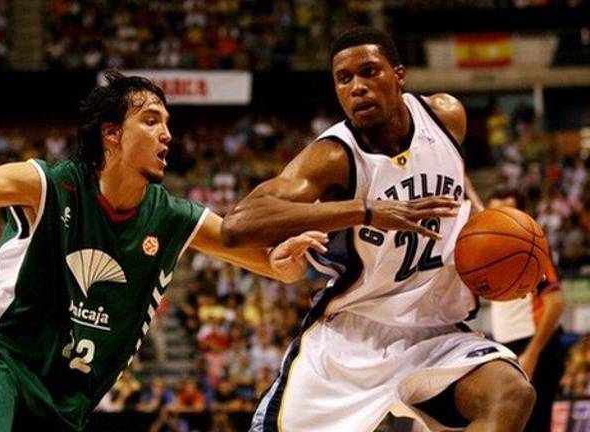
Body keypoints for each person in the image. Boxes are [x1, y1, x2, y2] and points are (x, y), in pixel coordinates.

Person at [0, 71, 324, 432]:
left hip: (67, 402)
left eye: (168, 123)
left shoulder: (173, 217)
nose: (167, 133)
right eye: (151, 120)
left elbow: (266, 263)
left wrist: (284, 263)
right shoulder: (50, 184)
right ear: (111, 133)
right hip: (1, 362)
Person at [221, 27, 535, 431]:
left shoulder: (446, 116)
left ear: (399, 75)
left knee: (511, 392)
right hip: (350, 341)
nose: (358, 88)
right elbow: (237, 225)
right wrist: (364, 211)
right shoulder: (333, 156)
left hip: (434, 331)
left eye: (370, 72)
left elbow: (458, 183)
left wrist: (488, 227)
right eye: (344, 78)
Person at [488, 188, 566, 432]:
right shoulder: (486, 247)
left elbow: (556, 303)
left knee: (533, 425)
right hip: (506, 348)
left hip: (535, 346)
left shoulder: (530, 249)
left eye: (507, 210)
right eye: (495, 210)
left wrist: (532, 353)